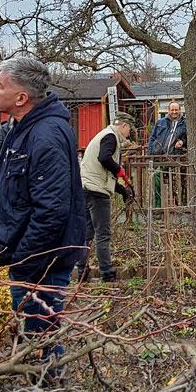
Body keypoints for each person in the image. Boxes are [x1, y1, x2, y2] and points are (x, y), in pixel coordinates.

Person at [0, 57, 85, 361]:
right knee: (37, 337)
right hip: (31, 263)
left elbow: (51, 211)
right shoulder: (21, 128)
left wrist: (23, 261)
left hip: (40, 266)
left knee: (41, 339)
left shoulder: (45, 135)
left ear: (21, 97)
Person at [75, 112, 135, 283]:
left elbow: (101, 172)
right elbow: (104, 158)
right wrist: (119, 170)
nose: (128, 134)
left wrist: (122, 190)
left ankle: (82, 273)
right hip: (97, 193)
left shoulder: (103, 135)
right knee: (103, 234)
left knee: (87, 233)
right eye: (129, 129)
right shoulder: (111, 137)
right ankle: (107, 273)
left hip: (86, 188)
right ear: (123, 126)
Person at [148, 101, 187, 205]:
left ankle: (175, 203)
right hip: (159, 156)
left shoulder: (185, 124)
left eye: (176, 110)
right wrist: (150, 153)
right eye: (172, 110)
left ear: (180, 110)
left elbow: (188, 139)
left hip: (174, 157)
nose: (174, 112)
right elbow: (152, 138)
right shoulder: (160, 122)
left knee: (160, 176)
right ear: (168, 110)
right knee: (155, 177)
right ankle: (158, 203)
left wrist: (182, 142)